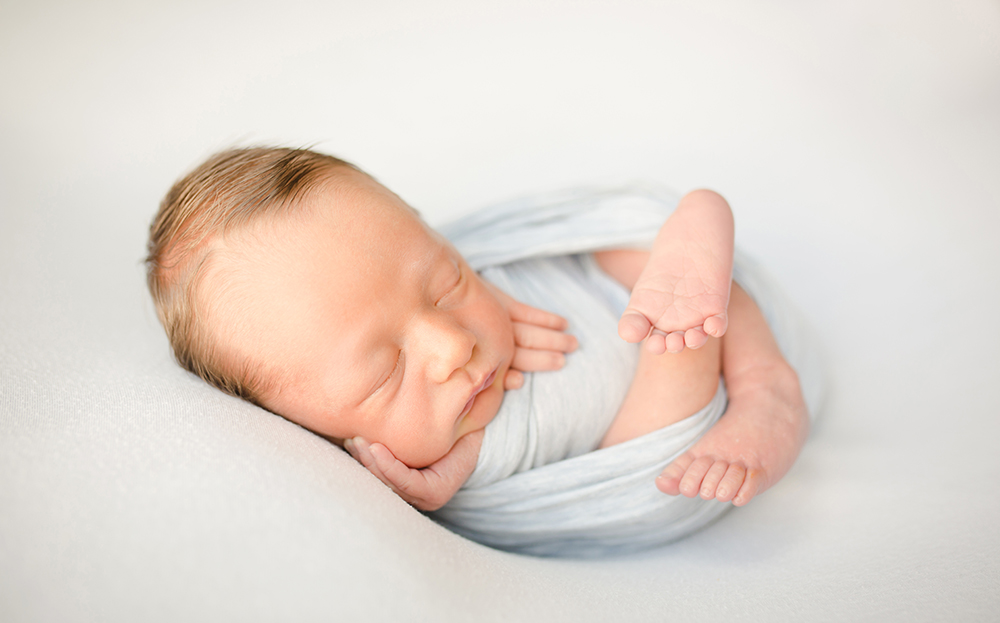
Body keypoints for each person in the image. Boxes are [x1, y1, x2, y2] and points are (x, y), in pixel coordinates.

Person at [146, 146, 808, 520]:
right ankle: (738, 369)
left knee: (619, 258)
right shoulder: (421, 456)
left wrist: (486, 282)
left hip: (610, 294)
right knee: (667, 441)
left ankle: (749, 361)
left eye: (444, 281)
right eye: (383, 372)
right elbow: (455, 484)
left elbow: (525, 251)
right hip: (636, 423)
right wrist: (429, 489)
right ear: (304, 427)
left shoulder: (480, 294)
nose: (450, 344)